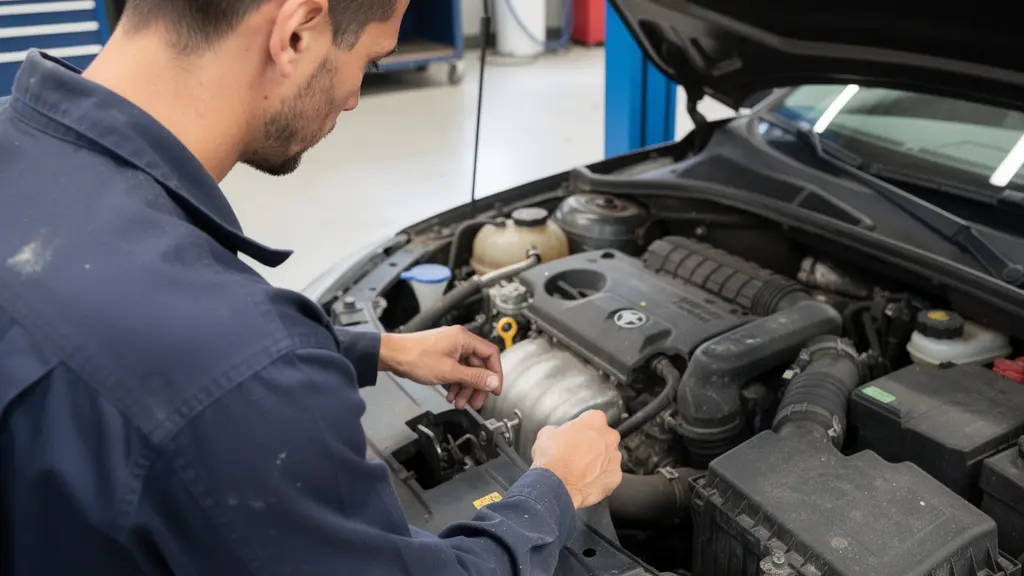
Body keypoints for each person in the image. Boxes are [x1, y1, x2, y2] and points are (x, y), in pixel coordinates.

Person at [0, 0, 624, 574]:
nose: (354, 97)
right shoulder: (237, 371)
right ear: (296, 33)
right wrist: (557, 490)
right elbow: (208, 377)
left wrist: (373, 349)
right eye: (369, 60)